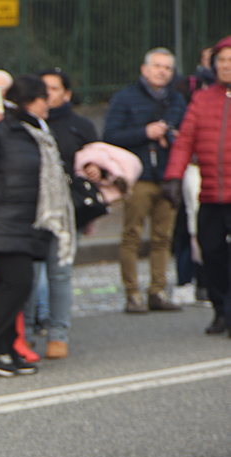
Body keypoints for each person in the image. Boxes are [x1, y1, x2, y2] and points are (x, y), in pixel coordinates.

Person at [0, 75, 73, 377]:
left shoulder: (35, 130)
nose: (48, 103)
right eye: (43, 97)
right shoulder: (3, 126)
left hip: (19, 223)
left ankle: (5, 348)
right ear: (28, 101)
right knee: (18, 282)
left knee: (13, 285)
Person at [103, 48, 187, 313]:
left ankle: (157, 291)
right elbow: (110, 136)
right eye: (157, 66)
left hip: (168, 177)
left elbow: (187, 135)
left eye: (168, 68)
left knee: (163, 238)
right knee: (132, 235)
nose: (162, 71)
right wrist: (145, 132)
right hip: (138, 177)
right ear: (144, 69)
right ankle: (132, 294)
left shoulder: (178, 100)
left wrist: (170, 135)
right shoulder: (125, 98)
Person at [27, 68, 100, 359]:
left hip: (67, 210)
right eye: (42, 89)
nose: (48, 95)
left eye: (54, 89)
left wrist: (95, 169)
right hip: (32, 210)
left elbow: (98, 160)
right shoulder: (26, 125)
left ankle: (58, 334)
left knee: (59, 275)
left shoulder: (80, 125)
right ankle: (26, 333)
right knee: (29, 275)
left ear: (66, 94)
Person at [164, 35, 231, 336]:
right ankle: (220, 311)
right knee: (211, 253)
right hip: (211, 194)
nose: (226, 66)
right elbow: (184, 142)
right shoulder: (202, 99)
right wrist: (173, 177)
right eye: (221, 61)